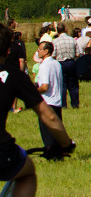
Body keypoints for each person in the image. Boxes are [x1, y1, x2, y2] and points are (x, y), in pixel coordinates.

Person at [0, 24, 74, 196]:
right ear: (7, 51)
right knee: (27, 173)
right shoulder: (14, 75)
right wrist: (65, 144)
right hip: (2, 150)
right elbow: (49, 116)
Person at [34, 42, 64, 150]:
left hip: (47, 103)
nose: (38, 51)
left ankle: (51, 154)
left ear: (46, 51)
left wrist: (33, 93)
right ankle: (59, 152)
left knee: (47, 133)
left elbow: (44, 87)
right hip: (57, 102)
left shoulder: (44, 65)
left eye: (40, 49)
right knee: (57, 131)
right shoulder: (57, 64)